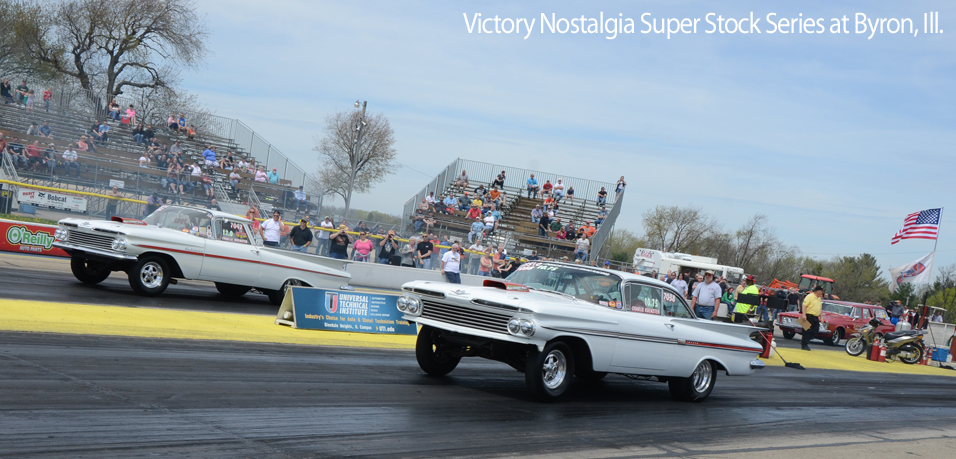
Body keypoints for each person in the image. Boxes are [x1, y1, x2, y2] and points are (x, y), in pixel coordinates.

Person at [801, 285, 825, 351]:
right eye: (821, 291)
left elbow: (820, 309)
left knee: (815, 331)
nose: (822, 293)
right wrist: (804, 315)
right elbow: (804, 305)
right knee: (806, 331)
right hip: (809, 316)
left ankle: (806, 340)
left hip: (815, 317)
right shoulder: (810, 296)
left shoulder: (819, 299)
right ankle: (804, 345)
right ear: (818, 291)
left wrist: (822, 317)